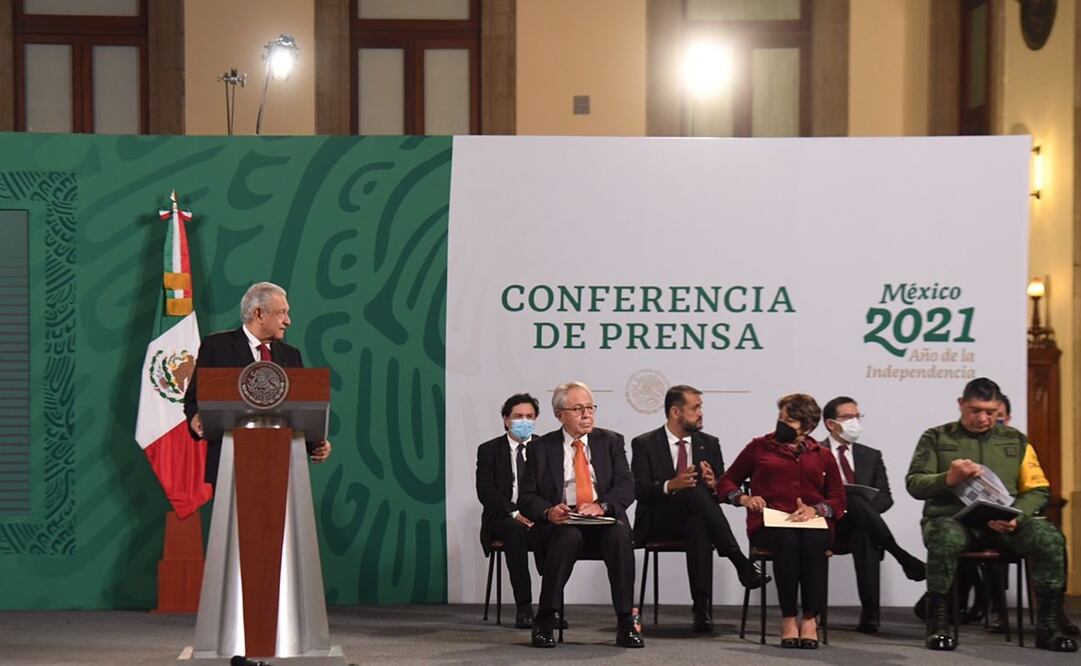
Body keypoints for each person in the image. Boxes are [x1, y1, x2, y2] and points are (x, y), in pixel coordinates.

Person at [906, 377, 1076, 652]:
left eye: (991, 412)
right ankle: (938, 626)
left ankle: (1049, 627)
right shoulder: (937, 437)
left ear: (999, 409)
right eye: (975, 410)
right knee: (944, 537)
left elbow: (1038, 489)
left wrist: (1016, 517)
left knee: (1050, 538)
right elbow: (914, 483)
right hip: (954, 522)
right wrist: (947, 478)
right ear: (961, 404)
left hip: (1006, 523)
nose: (983, 418)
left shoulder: (1015, 440)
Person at [631, 384, 767, 633]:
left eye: (700, 407)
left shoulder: (710, 443)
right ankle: (739, 561)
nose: (701, 413)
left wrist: (715, 485)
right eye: (695, 408)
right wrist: (671, 485)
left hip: (697, 520)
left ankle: (701, 610)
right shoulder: (644, 444)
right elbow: (638, 490)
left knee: (698, 524)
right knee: (692, 493)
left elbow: (723, 491)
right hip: (659, 521)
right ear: (675, 412)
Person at [517, 381, 643, 649]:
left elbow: (626, 485)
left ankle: (625, 622)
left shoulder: (611, 441)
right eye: (578, 408)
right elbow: (526, 497)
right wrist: (549, 511)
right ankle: (545, 618)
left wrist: (603, 506)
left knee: (619, 534)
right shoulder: (541, 448)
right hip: (561, 522)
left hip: (601, 519)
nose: (587, 414)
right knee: (568, 537)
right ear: (559, 414)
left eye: (590, 407)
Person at [716, 394, 845, 649]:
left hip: (811, 524)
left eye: (789, 420)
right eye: (780, 417)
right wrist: (743, 498)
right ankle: (788, 618)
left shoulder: (823, 455)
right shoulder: (758, 447)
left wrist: (816, 510)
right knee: (787, 541)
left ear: (807, 427)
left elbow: (839, 499)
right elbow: (726, 482)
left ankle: (809, 618)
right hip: (769, 523)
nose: (781, 424)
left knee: (812, 542)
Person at [183, 281, 331, 485]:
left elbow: (301, 407)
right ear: (259, 314)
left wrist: (315, 443)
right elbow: (193, 397)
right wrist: (195, 418)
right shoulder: (218, 346)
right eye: (282, 313)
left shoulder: (290, 355)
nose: (288, 321)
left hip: (282, 464)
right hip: (230, 461)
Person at [821, 396, 925, 634]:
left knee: (865, 533)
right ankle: (900, 555)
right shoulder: (815, 452)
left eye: (858, 416)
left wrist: (861, 512)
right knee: (855, 502)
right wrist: (846, 506)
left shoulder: (871, 455)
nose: (855, 421)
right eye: (848, 417)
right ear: (830, 424)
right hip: (828, 523)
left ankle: (870, 616)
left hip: (861, 525)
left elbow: (885, 497)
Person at [475, 393, 542, 629]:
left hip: (539, 516)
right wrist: (514, 513)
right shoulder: (489, 450)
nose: (524, 421)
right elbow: (486, 492)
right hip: (504, 518)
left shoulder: (545, 447)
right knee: (515, 531)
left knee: (564, 535)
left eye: (530, 416)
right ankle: (524, 608)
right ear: (506, 420)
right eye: (518, 416)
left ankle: (550, 609)